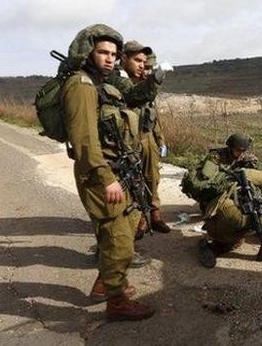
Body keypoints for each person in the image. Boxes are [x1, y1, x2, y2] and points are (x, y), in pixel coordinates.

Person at [61, 24, 154, 321]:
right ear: (87, 52)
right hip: (101, 176)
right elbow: (85, 141)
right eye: (103, 52)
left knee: (123, 230)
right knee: (118, 239)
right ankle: (116, 303)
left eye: (114, 53)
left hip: (115, 171)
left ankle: (115, 284)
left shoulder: (100, 84)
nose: (110, 58)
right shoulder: (81, 85)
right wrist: (107, 179)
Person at [107, 40, 171, 236]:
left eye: (145, 63)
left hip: (147, 136)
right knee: (134, 179)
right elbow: (132, 96)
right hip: (129, 140)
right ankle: (140, 219)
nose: (142, 66)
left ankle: (155, 214)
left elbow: (153, 114)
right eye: (138, 61)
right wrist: (152, 81)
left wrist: (160, 141)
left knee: (153, 177)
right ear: (124, 58)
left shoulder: (141, 82)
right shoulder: (117, 79)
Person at [188, 158, 262, 268]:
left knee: (238, 238)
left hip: (211, 226)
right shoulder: (247, 173)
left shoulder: (220, 177)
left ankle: (216, 246)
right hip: (233, 222)